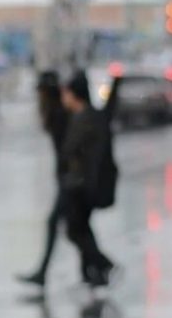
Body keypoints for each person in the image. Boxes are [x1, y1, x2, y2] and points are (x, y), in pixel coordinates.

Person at [59, 71, 116, 288]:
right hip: (79, 184)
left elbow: (84, 155)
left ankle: (103, 265)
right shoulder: (79, 117)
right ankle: (92, 274)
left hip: (83, 186)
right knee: (81, 229)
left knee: (76, 230)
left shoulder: (88, 119)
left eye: (66, 93)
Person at [18, 69, 71, 288]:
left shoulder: (59, 114)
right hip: (67, 178)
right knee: (76, 229)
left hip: (71, 179)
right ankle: (97, 268)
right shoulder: (55, 113)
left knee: (61, 225)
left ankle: (101, 266)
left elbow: (68, 149)